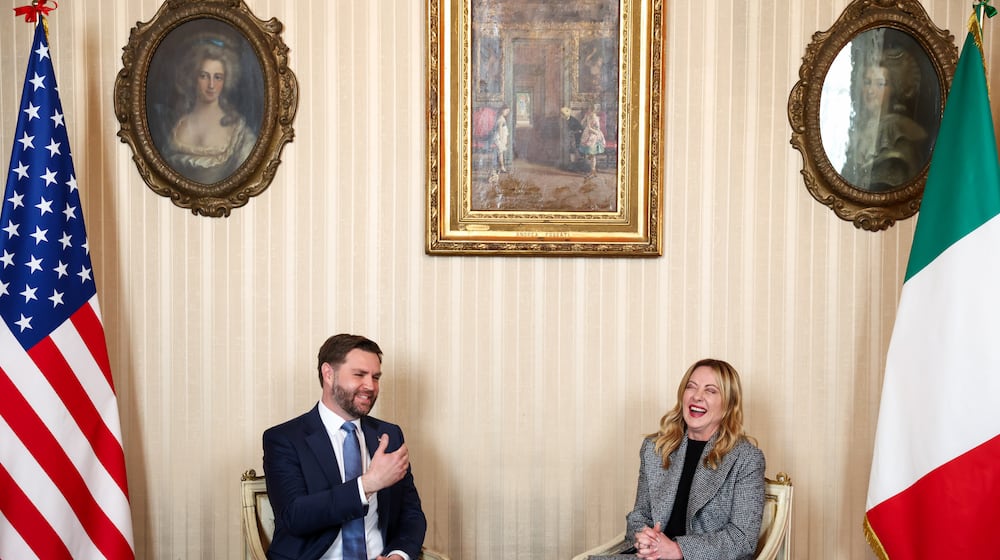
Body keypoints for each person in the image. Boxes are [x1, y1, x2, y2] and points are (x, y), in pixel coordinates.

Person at [262, 334, 427, 560]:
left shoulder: (390, 435)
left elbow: (411, 514)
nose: (370, 386)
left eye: (376, 377)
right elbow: (294, 516)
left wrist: (398, 555)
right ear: (328, 374)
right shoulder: (284, 439)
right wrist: (367, 485)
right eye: (359, 375)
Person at [606, 359, 765, 560]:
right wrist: (644, 539)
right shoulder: (655, 449)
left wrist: (678, 550)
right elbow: (640, 515)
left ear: (728, 404)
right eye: (691, 387)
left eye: (711, 390)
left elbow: (742, 539)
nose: (697, 396)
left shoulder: (746, 459)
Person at [162, 35, 258, 184]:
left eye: (218, 77)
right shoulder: (178, 124)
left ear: (226, 80)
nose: (211, 85)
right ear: (193, 78)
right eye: (204, 76)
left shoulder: (239, 132)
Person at [841, 47, 928, 192]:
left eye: (880, 84)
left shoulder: (897, 130)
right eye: (867, 82)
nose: (870, 91)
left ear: (893, 89)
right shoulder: (858, 128)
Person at [579, 104, 606, 179]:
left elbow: (596, 130)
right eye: (589, 109)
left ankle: (593, 171)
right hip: (587, 136)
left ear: (594, 110)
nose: (589, 110)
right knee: (590, 155)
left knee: (592, 155)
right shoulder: (588, 116)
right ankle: (593, 170)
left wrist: (590, 128)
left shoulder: (595, 118)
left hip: (593, 137)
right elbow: (581, 123)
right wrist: (585, 118)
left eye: (590, 109)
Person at [493, 104, 511, 173]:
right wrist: (501, 139)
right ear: (502, 110)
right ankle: (502, 167)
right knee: (500, 153)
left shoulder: (502, 118)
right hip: (499, 138)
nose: (507, 113)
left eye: (508, 112)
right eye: (506, 111)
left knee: (501, 153)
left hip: (501, 137)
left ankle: (500, 167)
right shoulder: (501, 119)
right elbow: (500, 130)